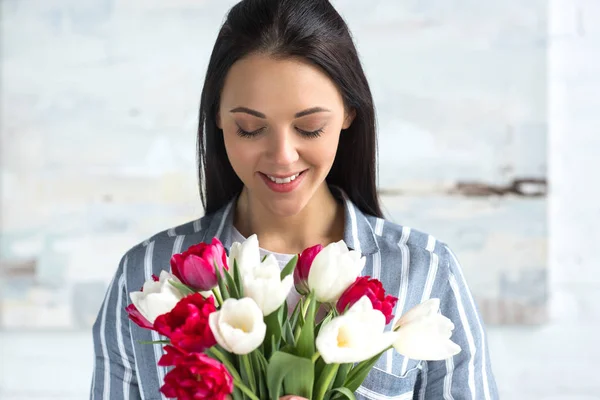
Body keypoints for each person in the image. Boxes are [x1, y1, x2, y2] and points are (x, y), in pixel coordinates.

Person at [90, 0, 499, 398]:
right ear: (217, 117)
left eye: (310, 127)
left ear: (348, 114)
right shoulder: (148, 277)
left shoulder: (424, 271)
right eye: (250, 128)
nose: (282, 156)